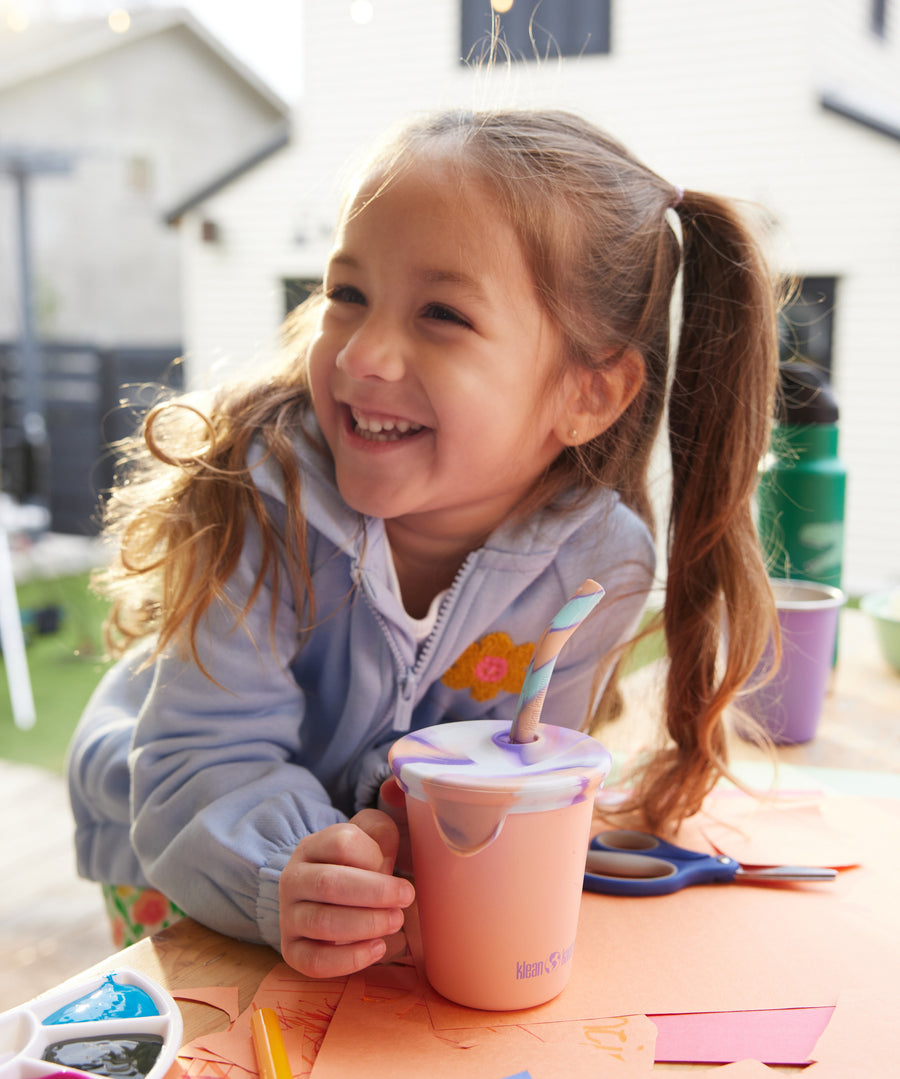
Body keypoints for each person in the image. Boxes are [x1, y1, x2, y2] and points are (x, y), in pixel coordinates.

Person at [67, 108, 780, 978]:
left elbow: (524, 764)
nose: (364, 353)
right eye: (347, 294)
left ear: (587, 394)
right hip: (191, 848)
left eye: (441, 313)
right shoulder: (266, 496)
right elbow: (201, 757)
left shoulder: (598, 569)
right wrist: (285, 871)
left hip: (379, 889)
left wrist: (426, 841)